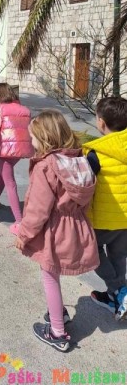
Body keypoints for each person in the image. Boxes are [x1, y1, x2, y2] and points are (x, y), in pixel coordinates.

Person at [15, 110, 98, 352]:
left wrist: (24, 235)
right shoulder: (79, 160)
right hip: (75, 226)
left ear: (45, 137)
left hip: (53, 230)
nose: (31, 141)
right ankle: (58, 312)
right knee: (54, 273)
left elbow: (38, 209)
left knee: (50, 276)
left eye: (33, 137)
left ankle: (58, 332)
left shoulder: (46, 167)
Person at [82, 96, 127, 321]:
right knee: (119, 256)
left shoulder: (96, 153)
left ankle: (120, 289)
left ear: (101, 122)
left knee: (91, 251)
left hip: (103, 220)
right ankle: (114, 297)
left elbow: (85, 185)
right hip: (125, 220)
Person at [0, 83, 34, 235]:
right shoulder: (25, 110)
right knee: (2, 173)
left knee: (10, 182)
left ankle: (19, 221)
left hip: (5, 151)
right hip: (21, 150)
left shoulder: (0, 109)